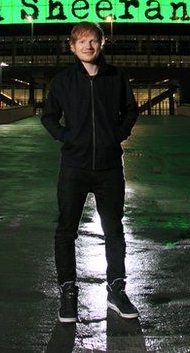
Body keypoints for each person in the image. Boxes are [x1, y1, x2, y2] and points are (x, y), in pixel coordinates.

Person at [40, 21, 139, 323]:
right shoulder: (63, 81)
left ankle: (116, 289)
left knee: (114, 230)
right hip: (74, 167)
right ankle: (68, 292)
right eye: (81, 41)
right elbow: (49, 117)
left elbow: (131, 110)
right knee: (66, 229)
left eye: (93, 40)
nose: (88, 46)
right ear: (72, 46)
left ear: (102, 43)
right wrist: (67, 137)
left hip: (109, 167)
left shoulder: (116, 77)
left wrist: (117, 135)